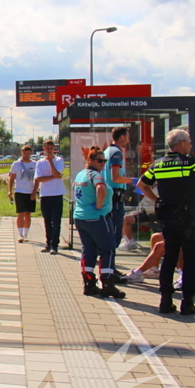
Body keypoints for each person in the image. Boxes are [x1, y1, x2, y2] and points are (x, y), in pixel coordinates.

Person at [138, 128, 195, 315]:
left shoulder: (158, 165)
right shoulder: (189, 163)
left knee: (169, 258)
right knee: (189, 260)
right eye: (188, 142)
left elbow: (141, 185)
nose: (190, 145)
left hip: (169, 217)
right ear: (181, 143)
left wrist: (157, 200)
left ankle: (165, 301)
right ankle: (187, 303)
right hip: (189, 218)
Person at [73, 146, 125, 298]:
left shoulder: (80, 175)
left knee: (88, 249)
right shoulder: (96, 176)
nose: (103, 163)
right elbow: (101, 189)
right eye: (99, 160)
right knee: (107, 249)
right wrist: (99, 205)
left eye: (105, 161)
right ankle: (107, 284)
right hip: (97, 217)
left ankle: (88, 283)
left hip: (80, 217)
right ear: (90, 161)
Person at [104, 127, 134, 282]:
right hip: (115, 197)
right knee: (114, 234)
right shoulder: (116, 153)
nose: (128, 140)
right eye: (127, 137)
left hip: (109, 197)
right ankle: (110, 270)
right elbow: (116, 177)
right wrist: (134, 181)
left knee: (110, 233)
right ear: (122, 137)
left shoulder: (107, 151)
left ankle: (110, 268)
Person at [33, 140, 65, 255]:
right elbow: (39, 179)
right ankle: (48, 243)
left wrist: (51, 162)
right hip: (45, 195)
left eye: (51, 148)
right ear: (44, 149)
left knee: (56, 221)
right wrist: (54, 176)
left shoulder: (59, 160)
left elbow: (58, 174)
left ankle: (55, 245)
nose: (49, 150)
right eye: (47, 148)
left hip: (57, 194)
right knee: (47, 221)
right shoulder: (40, 163)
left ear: (54, 149)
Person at [7, 145, 37, 243]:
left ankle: (26, 234)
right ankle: (20, 235)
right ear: (21, 153)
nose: (26, 155)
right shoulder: (16, 164)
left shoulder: (35, 164)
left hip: (30, 192)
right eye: (25, 153)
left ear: (30, 154)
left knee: (28, 213)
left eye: (28, 153)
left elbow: (37, 179)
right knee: (21, 213)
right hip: (19, 191)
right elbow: (11, 178)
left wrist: (35, 191)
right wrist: (10, 190)